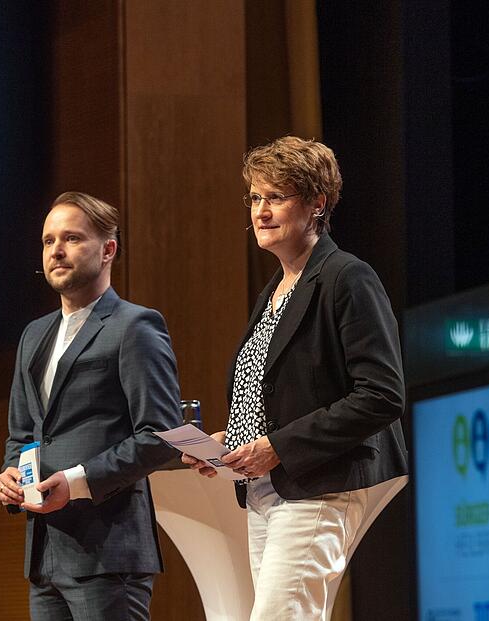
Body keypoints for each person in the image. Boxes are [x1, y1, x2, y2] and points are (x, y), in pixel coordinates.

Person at [182, 136, 408, 620]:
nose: (261, 211)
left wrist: (278, 446)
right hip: (266, 492)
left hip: (319, 485)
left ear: (316, 204)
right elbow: (278, 396)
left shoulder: (347, 277)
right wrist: (231, 443)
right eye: (256, 198)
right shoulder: (276, 289)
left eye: (276, 197)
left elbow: (382, 395)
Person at [0, 191, 181, 620]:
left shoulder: (134, 326)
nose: (56, 250)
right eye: (48, 241)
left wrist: (76, 482)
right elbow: (23, 433)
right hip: (45, 555)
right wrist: (10, 477)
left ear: (108, 249)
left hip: (108, 553)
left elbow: (159, 436)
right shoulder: (33, 335)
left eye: (72, 238)